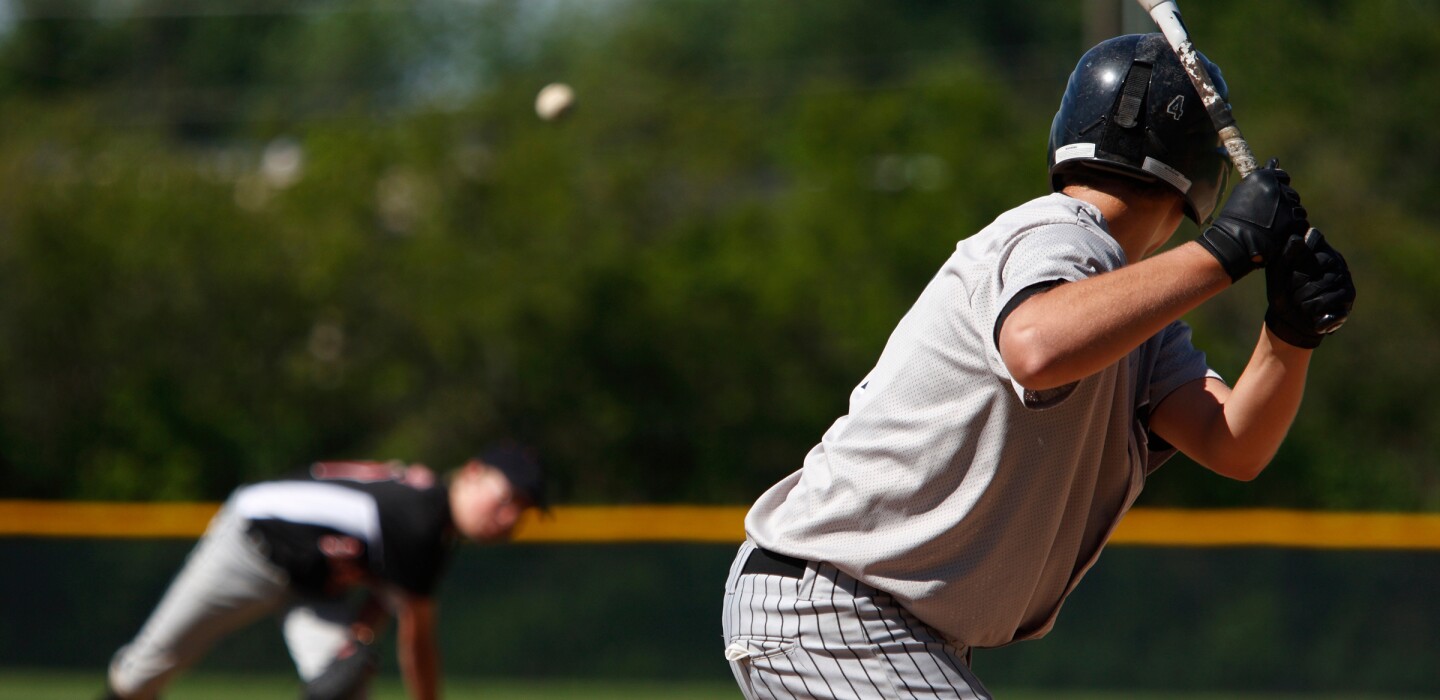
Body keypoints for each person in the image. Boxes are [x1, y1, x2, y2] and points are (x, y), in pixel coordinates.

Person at [721, 33, 1355, 699]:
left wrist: (1290, 333)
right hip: (839, 608)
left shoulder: (1125, 307)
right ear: (1200, 178)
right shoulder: (1062, 233)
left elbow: (1234, 443)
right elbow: (1036, 348)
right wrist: (1226, 251)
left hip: (863, 617)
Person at [103, 443, 545, 700]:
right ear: (472, 473)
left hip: (316, 586)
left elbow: (386, 589)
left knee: (344, 684)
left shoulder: (433, 522)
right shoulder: (420, 520)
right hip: (251, 547)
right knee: (140, 674)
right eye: (506, 499)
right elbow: (417, 644)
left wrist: (360, 634)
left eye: (521, 510)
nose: (509, 518)